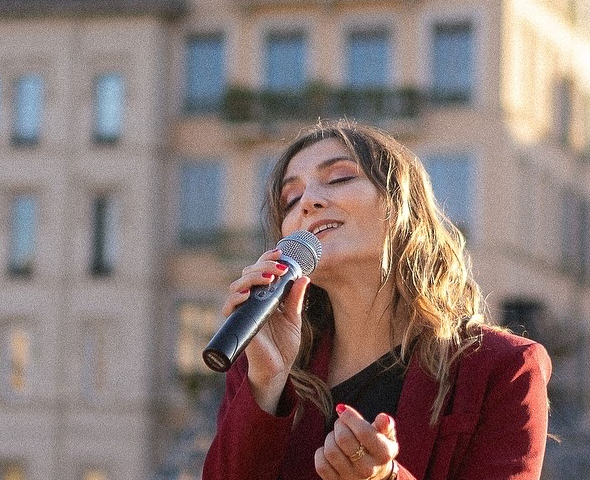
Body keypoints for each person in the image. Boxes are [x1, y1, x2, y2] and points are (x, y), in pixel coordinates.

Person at [202, 120, 551, 480]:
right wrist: (266, 384)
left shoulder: (503, 368)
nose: (307, 202)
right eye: (290, 199)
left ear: (402, 207)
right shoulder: (261, 368)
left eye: (339, 178)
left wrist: (385, 477)